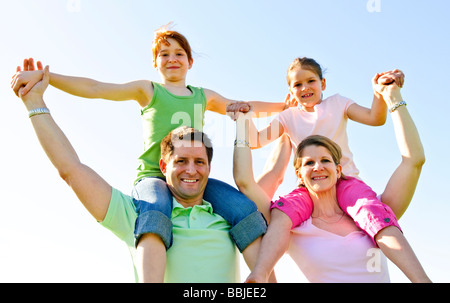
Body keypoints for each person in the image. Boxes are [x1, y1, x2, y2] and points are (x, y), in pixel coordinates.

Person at [10, 25, 288, 282]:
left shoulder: (204, 96)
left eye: (179, 53)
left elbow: (244, 107)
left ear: (190, 62)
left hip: (191, 177)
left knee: (243, 209)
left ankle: (262, 278)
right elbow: (96, 88)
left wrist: (285, 108)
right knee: (155, 212)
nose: (172, 59)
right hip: (154, 177)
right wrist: (47, 78)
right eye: (164, 54)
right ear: (155, 63)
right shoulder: (149, 90)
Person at [232, 73, 431, 282]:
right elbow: (247, 180)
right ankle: (260, 273)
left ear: (338, 170)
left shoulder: (373, 212)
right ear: (299, 174)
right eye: (309, 162)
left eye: (325, 161)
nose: (318, 167)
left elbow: (414, 159)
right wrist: (242, 122)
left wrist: (392, 96)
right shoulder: (291, 223)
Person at [234, 57, 407, 248]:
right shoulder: (288, 117)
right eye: (297, 84)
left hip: (345, 180)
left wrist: (378, 93)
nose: (305, 88)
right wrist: (245, 116)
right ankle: (261, 273)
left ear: (322, 83)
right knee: (281, 215)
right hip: (309, 188)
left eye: (310, 81)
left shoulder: (338, 103)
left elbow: (375, 118)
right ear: (291, 91)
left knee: (369, 210)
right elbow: (257, 140)